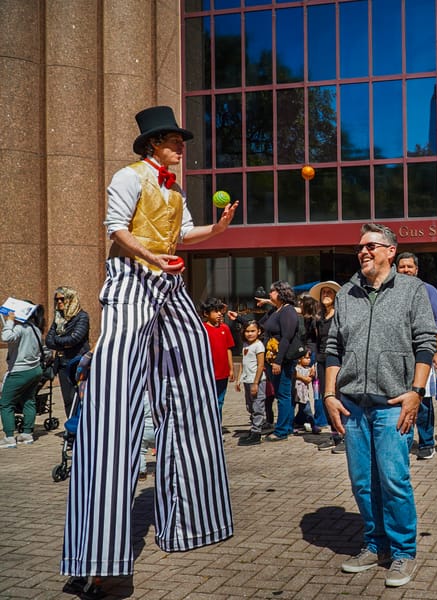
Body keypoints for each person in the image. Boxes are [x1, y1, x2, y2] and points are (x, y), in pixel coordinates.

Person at [61, 105, 235, 592]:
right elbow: (116, 229)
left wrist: (218, 231)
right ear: (152, 145)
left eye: (181, 140)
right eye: (173, 140)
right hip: (132, 284)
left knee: (194, 369)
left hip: (168, 284)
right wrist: (149, 254)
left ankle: (193, 520)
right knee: (115, 407)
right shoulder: (129, 177)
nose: (182, 146)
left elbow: (181, 236)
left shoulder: (176, 190)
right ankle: (99, 556)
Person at [323, 223, 437, 588]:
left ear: (391, 250)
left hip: (394, 403)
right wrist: (328, 394)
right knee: (361, 482)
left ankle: (403, 551)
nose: (363, 252)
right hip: (353, 405)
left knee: (393, 480)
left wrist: (417, 391)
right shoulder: (346, 294)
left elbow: (426, 342)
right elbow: (332, 348)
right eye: (360, 247)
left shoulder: (411, 289)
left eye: (371, 245)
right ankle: (375, 545)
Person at [396, 252, 437, 461]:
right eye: (402, 267)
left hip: (423, 355)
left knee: (423, 401)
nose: (406, 270)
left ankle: (426, 443)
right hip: (399, 356)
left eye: (409, 267)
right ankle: (404, 441)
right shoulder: (392, 292)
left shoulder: (428, 290)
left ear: (417, 270)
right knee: (401, 400)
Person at [1, 303, 47, 448]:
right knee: (29, 400)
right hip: (35, 370)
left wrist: (9, 321)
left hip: (19, 372)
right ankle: (27, 434)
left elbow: (6, 337)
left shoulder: (20, 328)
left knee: (6, 404)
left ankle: (9, 437)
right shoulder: (35, 329)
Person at [259, 280, 300, 442]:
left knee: (283, 395)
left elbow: (286, 338)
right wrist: (239, 320)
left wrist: (278, 361)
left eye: (273, 291)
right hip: (272, 358)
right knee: (284, 394)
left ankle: (282, 430)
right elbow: (260, 325)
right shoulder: (276, 310)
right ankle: (287, 426)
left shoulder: (287, 311)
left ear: (281, 293)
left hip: (281, 360)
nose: (270, 294)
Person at [309, 280, 344, 453]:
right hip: (322, 361)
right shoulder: (319, 318)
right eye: (324, 293)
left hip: (338, 361)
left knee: (339, 396)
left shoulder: (340, 316)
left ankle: (346, 435)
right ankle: (335, 434)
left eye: (330, 292)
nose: (326, 295)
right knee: (326, 397)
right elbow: (314, 341)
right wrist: (313, 361)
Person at [45, 287, 90, 416]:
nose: (59, 302)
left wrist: (58, 340)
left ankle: (81, 427)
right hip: (62, 364)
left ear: (70, 299)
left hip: (78, 362)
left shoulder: (81, 317)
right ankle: (71, 428)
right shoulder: (59, 318)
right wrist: (63, 344)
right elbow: (49, 341)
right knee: (68, 399)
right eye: (57, 299)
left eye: (62, 299)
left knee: (80, 397)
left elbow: (74, 339)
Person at [201, 297, 235, 420]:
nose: (219, 313)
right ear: (206, 313)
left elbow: (228, 349)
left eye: (220, 311)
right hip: (207, 373)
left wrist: (231, 369)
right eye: (215, 311)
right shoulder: (202, 329)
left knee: (219, 402)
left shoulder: (225, 328)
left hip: (223, 373)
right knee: (208, 402)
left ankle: (217, 428)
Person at [236, 320, 266, 446]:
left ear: (258, 332)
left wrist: (255, 383)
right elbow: (243, 363)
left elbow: (260, 365)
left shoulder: (259, 346)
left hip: (256, 380)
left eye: (252, 331)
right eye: (247, 331)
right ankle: (254, 427)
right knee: (250, 405)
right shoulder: (245, 345)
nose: (250, 334)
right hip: (247, 380)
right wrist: (239, 379)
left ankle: (256, 432)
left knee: (258, 405)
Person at [293, 349, 317, 434]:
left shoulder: (309, 369)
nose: (309, 360)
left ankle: (314, 426)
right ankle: (291, 425)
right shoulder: (296, 368)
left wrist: (311, 373)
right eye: (306, 358)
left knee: (308, 411)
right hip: (295, 393)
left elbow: (310, 378)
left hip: (304, 395)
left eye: (309, 358)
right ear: (299, 359)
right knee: (292, 409)